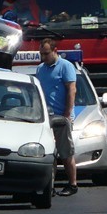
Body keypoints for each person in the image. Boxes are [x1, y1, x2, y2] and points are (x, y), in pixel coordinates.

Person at [36, 39, 78, 196]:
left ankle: (72, 184)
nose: (43, 57)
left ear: (55, 51)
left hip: (61, 116)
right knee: (49, 153)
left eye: (46, 54)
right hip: (45, 117)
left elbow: (71, 90)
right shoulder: (40, 69)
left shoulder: (65, 66)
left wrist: (67, 114)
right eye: (41, 54)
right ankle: (50, 185)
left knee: (65, 152)